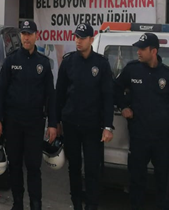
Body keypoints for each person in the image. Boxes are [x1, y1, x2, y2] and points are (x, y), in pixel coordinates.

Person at [0, 20, 57, 210]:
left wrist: (53, 123)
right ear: (20, 36)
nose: (26, 38)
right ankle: (17, 203)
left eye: (29, 34)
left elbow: (50, 96)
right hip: (13, 121)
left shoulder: (43, 63)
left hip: (35, 123)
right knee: (14, 165)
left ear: (37, 36)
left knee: (34, 167)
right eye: (24, 34)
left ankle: (36, 204)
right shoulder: (11, 61)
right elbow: (1, 91)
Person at [56, 23, 114, 210]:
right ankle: (76, 204)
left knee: (92, 169)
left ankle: (91, 205)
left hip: (92, 126)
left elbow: (108, 96)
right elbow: (59, 94)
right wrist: (55, 122)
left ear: (91, 39)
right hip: (71, 124)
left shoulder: (101, 64)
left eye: (82, 38)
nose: (78, 41)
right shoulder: (68, 62)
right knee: (74, 167)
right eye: (76, 37)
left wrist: (108, 126)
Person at [115, 32, 169, 210]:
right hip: (139, 138)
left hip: (162, 140)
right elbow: (115, 89)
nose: (138, 52)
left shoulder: (166, 74)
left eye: (142, 49)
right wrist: (123, 106)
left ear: (153, 51)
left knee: (163, 183)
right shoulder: (132, 69)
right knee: (136, 182)